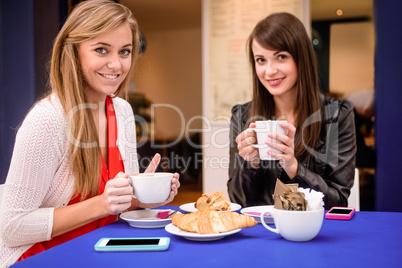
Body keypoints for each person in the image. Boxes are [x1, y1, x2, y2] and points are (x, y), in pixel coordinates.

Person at [0, 1, 180, 266]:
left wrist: (143, 197)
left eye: (124, 51)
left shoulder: (122, 111)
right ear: (73, 52)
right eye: (101, 50)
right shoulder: (48, 119)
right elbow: (12, 227)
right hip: (45, 256)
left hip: (103, 248)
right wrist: (101, 204)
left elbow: (116, 206)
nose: (116, 64)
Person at [227, 13, 356, 210]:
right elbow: (238, 202)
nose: (269, 71)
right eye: (261, 60)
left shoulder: (337, 115)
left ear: (301, 58)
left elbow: (338, 201)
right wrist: (251, 164)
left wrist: (294, 168)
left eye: (281, 57)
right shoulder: (241, 117)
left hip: (313, 233)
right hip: (262, 233)